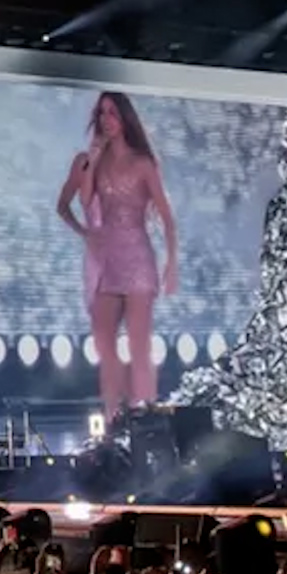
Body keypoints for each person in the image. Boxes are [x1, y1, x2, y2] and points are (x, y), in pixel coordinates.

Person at [56, 92, 179, 418]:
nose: (106, 119)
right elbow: (82, 201)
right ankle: (114, 422)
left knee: (139, 346)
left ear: (124, 117)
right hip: (106, 261)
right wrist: (94, 162)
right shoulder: (91, 160)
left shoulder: (142, 163)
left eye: (112, 112)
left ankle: (146, 419)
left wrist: (172, 263)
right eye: (101, 113)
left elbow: (166, 217)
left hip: (137, 256)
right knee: (106, 349)